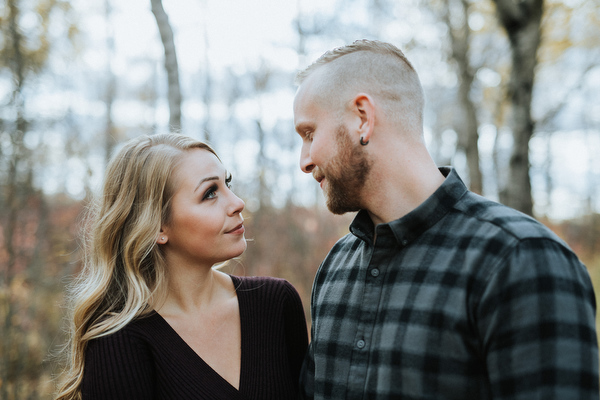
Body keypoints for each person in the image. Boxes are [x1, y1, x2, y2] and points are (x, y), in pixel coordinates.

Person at [293, 39, 599, 399]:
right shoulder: (335, 268)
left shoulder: (522, 259)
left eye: (310, 134)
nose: (304, 161)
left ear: (363, 117)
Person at [56, 133, 308, 400]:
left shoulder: (277, 303)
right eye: (210, 193)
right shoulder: (119, 339)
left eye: (227, 184)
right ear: (157, 226)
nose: (237, 203)